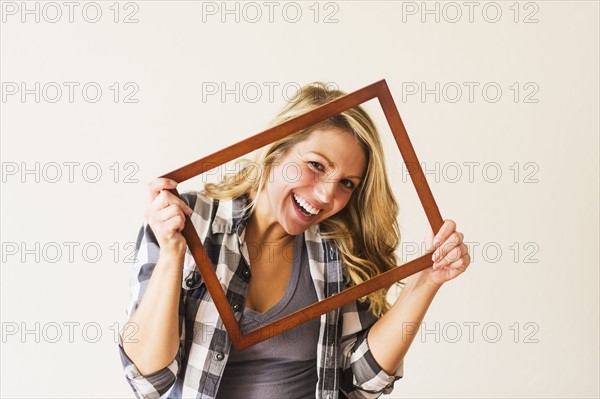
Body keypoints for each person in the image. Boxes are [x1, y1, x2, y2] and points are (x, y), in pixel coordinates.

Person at [118, 82, 471, 399]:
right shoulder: (186, 220)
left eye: (347, 183)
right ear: (277, 150)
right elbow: (150, 380)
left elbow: (363, 381)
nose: (325, 195)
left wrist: (427, 281)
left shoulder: (339, 248)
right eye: (317, 165)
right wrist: (171, 254)